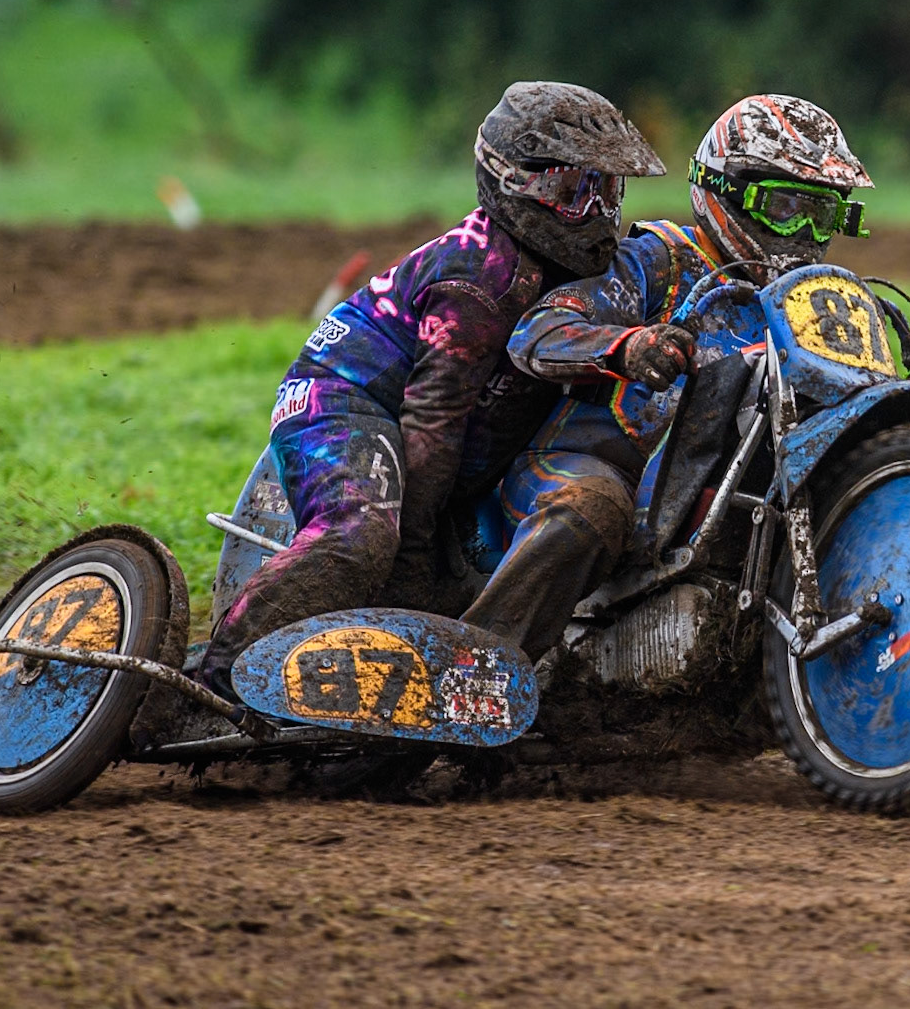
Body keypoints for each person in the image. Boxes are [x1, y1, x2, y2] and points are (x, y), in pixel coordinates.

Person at [200, 81, 664, 697]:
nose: (600, 216)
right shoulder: (482, 279)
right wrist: (411, 561)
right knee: (359, 541)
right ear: (516, 181)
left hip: (429, 437)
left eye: (607, 192)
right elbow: (434, 423)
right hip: (341, 400)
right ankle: (209, 682)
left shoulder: (577, 273)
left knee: (458, 591)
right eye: (575, 193)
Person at [463, 94, 872, 656]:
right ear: (724, 190)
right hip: (592, 465)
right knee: (593, 507)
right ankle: (475, 667)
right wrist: (629, 344)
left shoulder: (810, 304)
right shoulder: (664, 259)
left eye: (820, 214)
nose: (802, 232)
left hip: (706, 493)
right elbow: (538, 328)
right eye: (784, 209)